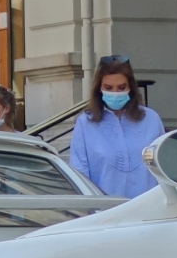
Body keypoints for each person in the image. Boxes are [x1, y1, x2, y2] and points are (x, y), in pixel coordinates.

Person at [68, 57, 164, 197]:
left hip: (148, 208)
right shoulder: (85, 123)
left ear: (130, 87)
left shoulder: (151, 119)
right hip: (104, 211)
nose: (115, 92)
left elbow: (164, 165)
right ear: (99, 88)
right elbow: (79, 172)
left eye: (121, 87)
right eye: (108, 88)